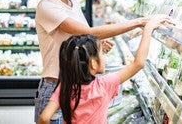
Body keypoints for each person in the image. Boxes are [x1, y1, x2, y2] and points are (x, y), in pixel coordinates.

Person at [34, 0, 166, 123]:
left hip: (75, 85)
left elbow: (80, 39)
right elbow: (88, 32)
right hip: (56, 86)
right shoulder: (47, 6)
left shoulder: (73, 2)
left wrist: (94, 48)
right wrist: (139, 22)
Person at [38, 15, 169, 124]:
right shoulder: (104, 85)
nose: (104, 56)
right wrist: (148, 29)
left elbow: (44, 118)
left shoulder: (65, 87)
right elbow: (138, 63)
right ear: (93, 64)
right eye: (102, 53)